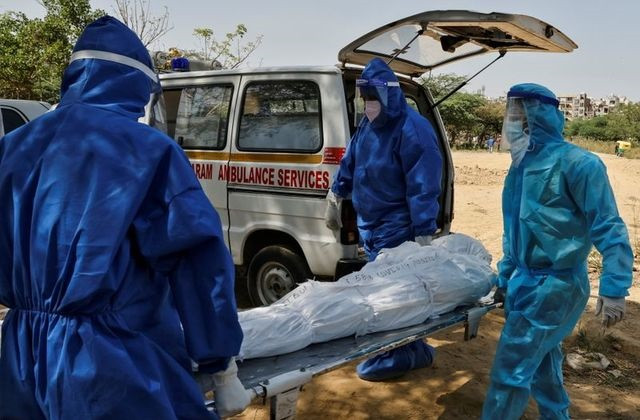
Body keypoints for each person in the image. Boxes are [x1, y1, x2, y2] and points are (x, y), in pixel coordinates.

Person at [0, 17, 249, 419]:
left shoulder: (12, 147)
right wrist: (221, 365)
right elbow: (197, 262)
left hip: (23, 355)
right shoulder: (148, 151)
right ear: (136, 84)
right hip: (110, 362)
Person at [483, 83, 633, 419]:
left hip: (555, 286)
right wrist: (506, 278)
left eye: (523, 114)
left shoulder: (580, 164)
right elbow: (515, 230)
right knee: (542, 361)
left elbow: (608, 226)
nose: (515, 122)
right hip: (525, 282)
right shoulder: (519, 166)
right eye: (512, 114)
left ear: (545, 115)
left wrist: (615, 287)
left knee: (510, 372)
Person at [325, 58, 443, 381]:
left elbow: (424, 184)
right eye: (366, 99)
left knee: (397, 295)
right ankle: (409, 350)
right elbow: (352, 160)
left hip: (399, 230)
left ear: (390, 95)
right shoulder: (368, 125)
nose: (369, 105)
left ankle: (402, 354)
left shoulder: (413, 129)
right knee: (385, 291)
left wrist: (423, 231)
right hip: (371, 228)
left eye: (374, 98)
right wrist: (336, 193)